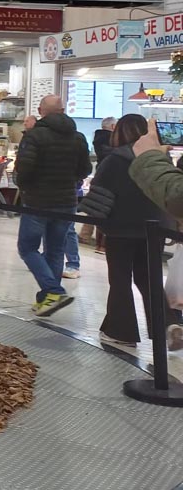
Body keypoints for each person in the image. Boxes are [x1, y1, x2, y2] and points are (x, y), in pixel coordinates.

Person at [85, 114, 183, 350]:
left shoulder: (115, 159)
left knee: (120, 279)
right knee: (148, 278)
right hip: (154, 228)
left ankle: (121, 331)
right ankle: (168, 325)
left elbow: (99, 192)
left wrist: (91, 226)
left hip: (120, 228)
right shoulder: (159, 158)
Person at [14, 95, 92, 316]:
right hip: (67, 201)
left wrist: (24, 187)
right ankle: (47, 299)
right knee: (56, 251)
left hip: (38, 201)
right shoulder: (77, 137)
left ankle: (54, 290)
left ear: (40, 110)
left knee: (27, 248)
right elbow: (85, 169)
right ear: (63, 110)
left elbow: (25, 169)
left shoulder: (34, 136)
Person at [79, 117, 117, 248]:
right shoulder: (109, 140)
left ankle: (85, 235)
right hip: (108, 177)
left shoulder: (99, 138)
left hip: (101, 175)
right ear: (112, 127)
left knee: (95, 206)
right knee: (102, 208)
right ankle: (101, 243)